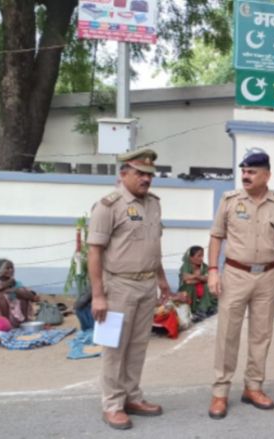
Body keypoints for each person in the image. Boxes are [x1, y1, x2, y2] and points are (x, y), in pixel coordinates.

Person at [206, 152, 274, 419]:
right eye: (244, 171)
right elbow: (216, 236)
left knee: (261, 334)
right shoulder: (230, 200)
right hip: (235, 274)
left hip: (268, 276)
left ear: (267, 175)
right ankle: (220, 391)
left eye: (252, 172)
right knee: (227, 334)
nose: (245, 176)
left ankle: (253, 387)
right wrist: (213, 271)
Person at [87, 148, 172, 430]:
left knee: (137, 346)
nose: (146, 179)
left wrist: (161, 279)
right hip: (118, 286)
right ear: (124, 174)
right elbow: (94, 252)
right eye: (140, 173)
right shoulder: (108, 206)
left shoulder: (154, 204)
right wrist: (98, 295)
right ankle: (112, 404)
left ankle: (132, 396)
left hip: (147, 284)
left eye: (150, 174)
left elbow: (152, 245)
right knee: (114, 347)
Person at [0, 259, 40, 328]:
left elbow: (31, 295)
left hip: (16, 313)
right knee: (3, 295)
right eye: (7, 268)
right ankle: (6, 324)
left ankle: (23, 324)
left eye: (12, 268)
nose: (11, 270)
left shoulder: (16, 283)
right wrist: (11, 283)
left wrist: (16, 290)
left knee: (22, 293)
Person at [179, 246, 214, 321]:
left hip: (201, 289)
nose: (201, 258)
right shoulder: (186, 266)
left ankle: (202, 309)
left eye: (202, 256)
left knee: (207, 286)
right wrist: (200, 277)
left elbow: (207, 278)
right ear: (191, 258)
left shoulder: (204, 266)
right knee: (189, 286)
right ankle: (192, 310)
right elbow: (186, 280)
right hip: (189, 289)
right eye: (199, 256)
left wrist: (194, 276)